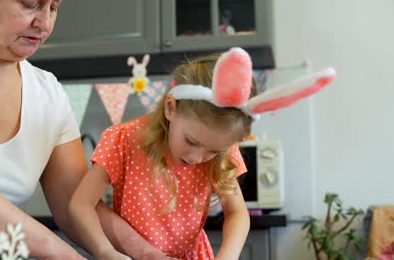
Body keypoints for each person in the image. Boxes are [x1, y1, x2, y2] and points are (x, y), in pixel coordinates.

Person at [0, 0, 176, 259]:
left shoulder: (48, 92)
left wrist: (144, 252)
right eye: (29, 4)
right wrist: (61, 253)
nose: (43, 22)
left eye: (54, 7)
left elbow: (74, 201)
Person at [68, 47, 337, 259]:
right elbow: (80, 204)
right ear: (171, 108)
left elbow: (237, 214)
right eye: (191, 141)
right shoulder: (123, 140)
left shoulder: (220, 150)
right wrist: (106, 252)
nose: (197, 158)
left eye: (213, 150)